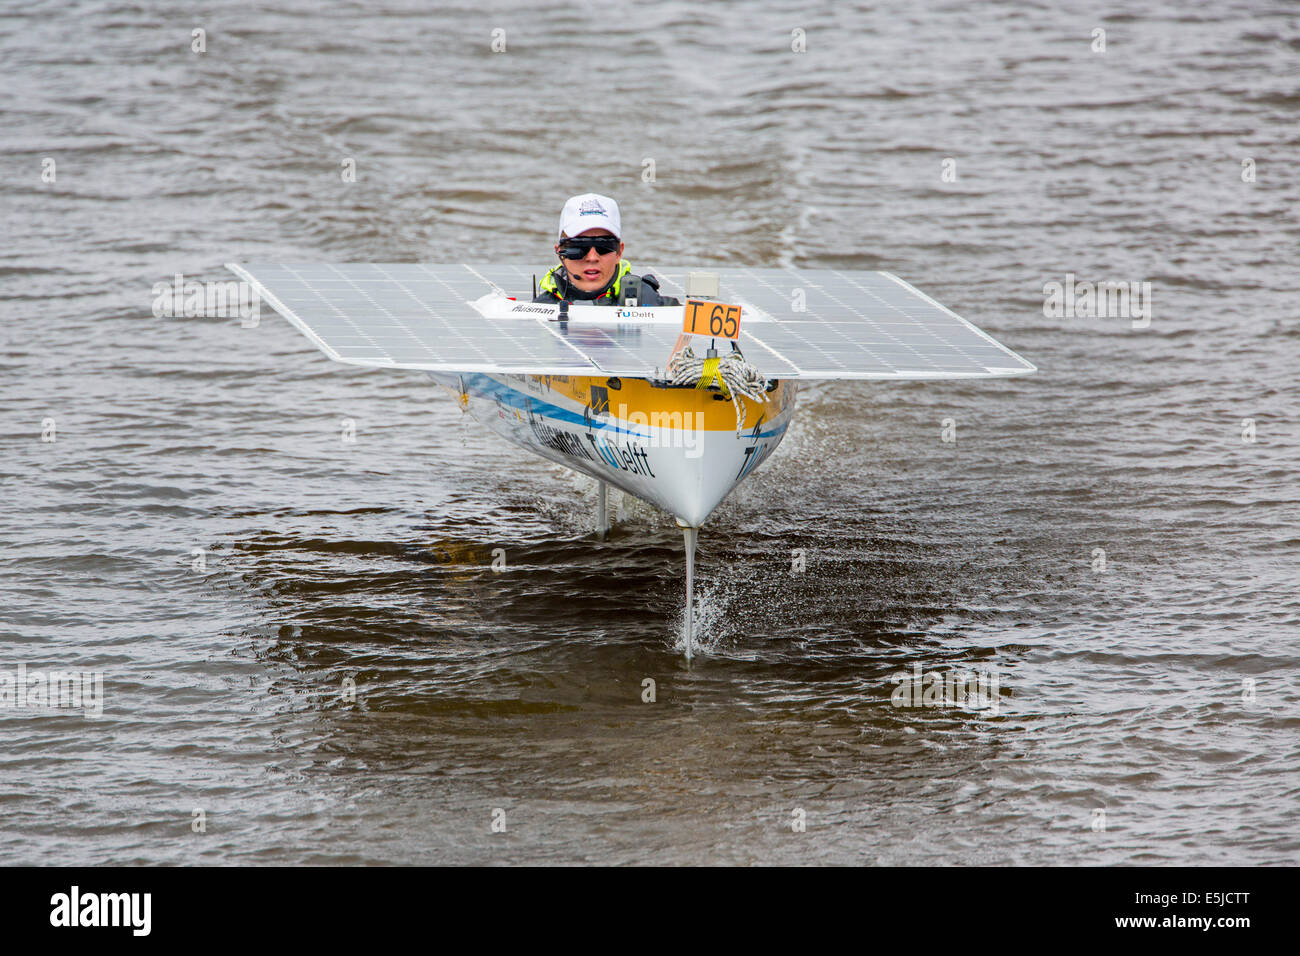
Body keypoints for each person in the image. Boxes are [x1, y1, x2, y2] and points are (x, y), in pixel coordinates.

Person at [533, 193, 680, 307]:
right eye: (580, 246)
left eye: (604, 246)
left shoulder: (650, 302)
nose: (592, 257)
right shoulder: (540, 308)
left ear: (619, 252)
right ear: (560, 253)